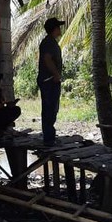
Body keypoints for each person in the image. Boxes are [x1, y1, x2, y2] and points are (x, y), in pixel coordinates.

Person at [38, 17, 65, 145]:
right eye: (58, 27)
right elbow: (47, 59)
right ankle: (48, 139)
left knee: (52, 108)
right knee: (49, 108)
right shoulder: (48, 43)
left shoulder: (51, 42)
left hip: (50, 80)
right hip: (49, 80)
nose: (60, 29)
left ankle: (50, 137)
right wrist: (56, 74)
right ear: (54, 29)